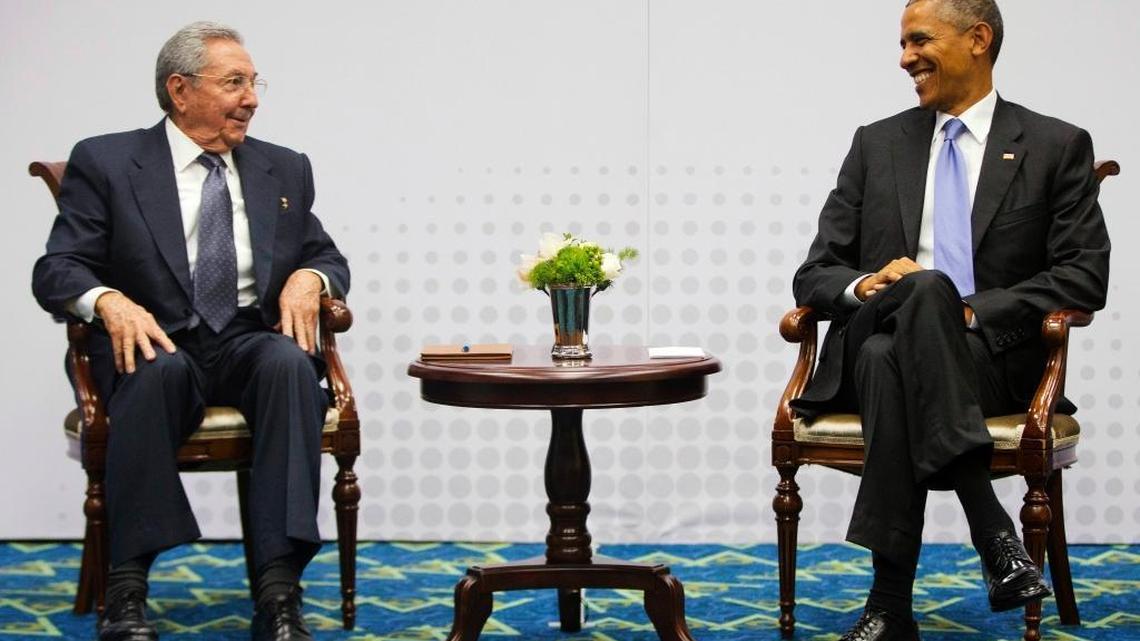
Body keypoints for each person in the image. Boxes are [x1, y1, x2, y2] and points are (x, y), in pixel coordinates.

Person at [790, 1, 1110, 639]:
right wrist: (865, 283)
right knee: (911, 306)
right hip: (877, 331)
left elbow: (1082, 277)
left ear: (978, 39)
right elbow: (816, 273)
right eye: (902, 43)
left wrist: (970, 308)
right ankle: (992, 528)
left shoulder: (1055, 146)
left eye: (918, 40)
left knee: (893, 354)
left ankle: (887, 608)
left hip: (988, 360)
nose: (904, 58)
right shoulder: (876, 144)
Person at [32, 22, 349, 641]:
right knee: (158, 369)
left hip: (244, 342)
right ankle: (126, 589)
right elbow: (57, 268)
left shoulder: (282, 168)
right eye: (234, 82)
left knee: (289, 365)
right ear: (180, 90)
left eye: (254, 82)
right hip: (154, 341)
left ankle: (279, 594)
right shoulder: (109, 161)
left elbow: (328, 255)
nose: (252, 97)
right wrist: (108, 301)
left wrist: (311, 278)